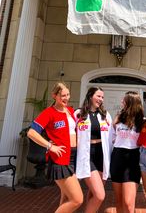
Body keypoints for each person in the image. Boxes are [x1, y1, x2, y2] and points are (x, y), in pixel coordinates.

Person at [27, 82, 83, 213]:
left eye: (68, 95)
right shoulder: (49, 112)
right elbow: (31, 132)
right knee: (77, 199)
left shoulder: (70, 111)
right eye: (62, 95)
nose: (66, 98)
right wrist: (50, 146)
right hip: (60, 160)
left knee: (66, 199)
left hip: (73, 157)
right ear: (54, 96)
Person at [74, 86, 113, 213]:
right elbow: (70, 132)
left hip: (101, 154)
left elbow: (112, 135)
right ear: (90, 96)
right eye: (98, 96)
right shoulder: (79, 114)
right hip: (86, 154)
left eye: (102, 97)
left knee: (93, 192)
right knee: (100, 195)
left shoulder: (105, 115)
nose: (101, 99)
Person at [110, 91, 144, 213]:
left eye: (124, 100)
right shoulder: (118, 118)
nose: (121, 102)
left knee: (129, 203)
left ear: (131, 103)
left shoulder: (142, 121)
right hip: (118, 157)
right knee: (119, 201)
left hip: (133, 159)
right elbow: (112, 137)